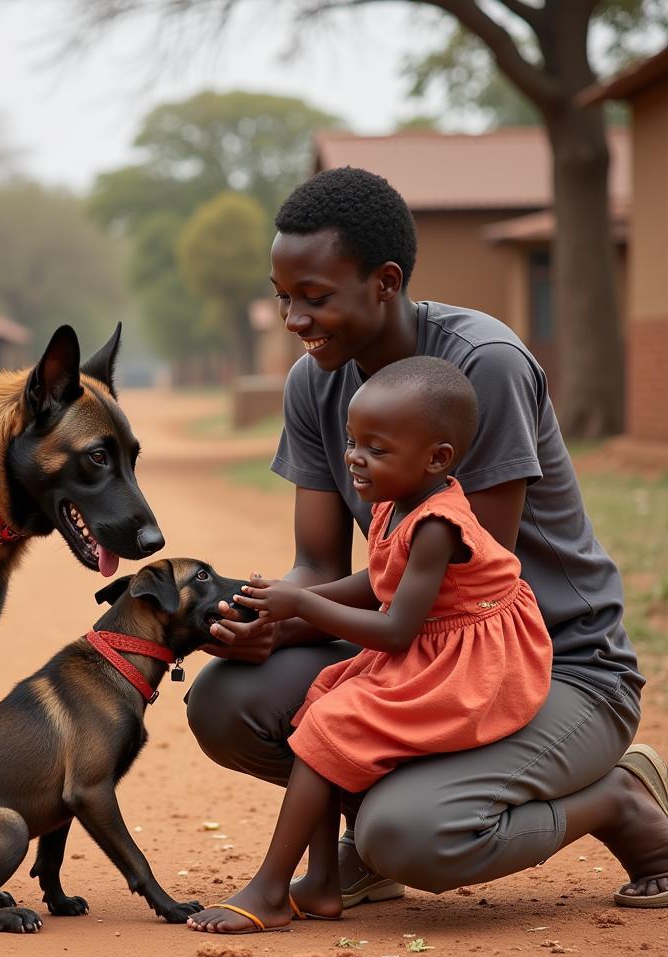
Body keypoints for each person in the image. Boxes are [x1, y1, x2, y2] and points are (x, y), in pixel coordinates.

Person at [185, 167, 668, 915]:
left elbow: (459, 592)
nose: (293, 319)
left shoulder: (483, 367)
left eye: (314, 297)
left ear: (384, 282)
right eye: (284, 297)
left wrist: (299, 615)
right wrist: (264, 622)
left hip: (553, 665)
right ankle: (373, 839)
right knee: (229, 702)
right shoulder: (316, 382)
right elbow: (318, 564)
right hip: (420, 647)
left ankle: (616, 798)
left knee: (414, 834)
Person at [188, 357, 554, 933]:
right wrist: (283, 596)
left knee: (330, 727)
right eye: (354, 443)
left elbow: (394, 628)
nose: (356, 458)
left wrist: (303, 604)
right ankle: (324, 884)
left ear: (437, 459)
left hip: (472, 661)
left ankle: (270, 890)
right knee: (316, 708)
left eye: (376, 449)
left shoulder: (438, 524)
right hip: (429, 644)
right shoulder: (394, 496)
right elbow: (379, 581)